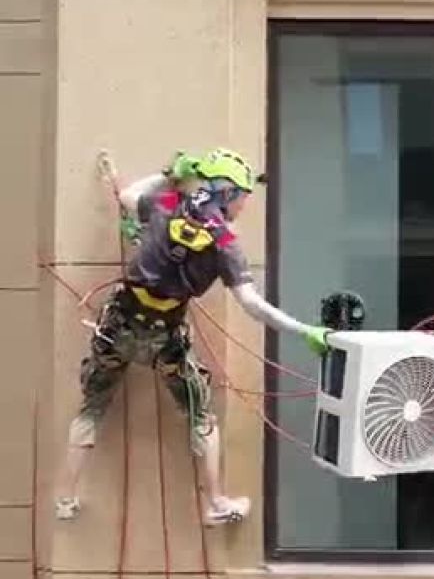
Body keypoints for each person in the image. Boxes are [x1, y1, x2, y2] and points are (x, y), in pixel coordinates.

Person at [55, 148, 329, 525]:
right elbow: (252, 304)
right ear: (228, 193)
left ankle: (65, 498)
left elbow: (128, 196)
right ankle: (216, 503)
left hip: (120, 323)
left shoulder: (169, 204)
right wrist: (304, 330)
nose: (246, 204)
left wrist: (169, 173)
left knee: (92, 407)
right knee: (201, 416)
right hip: (165, 338)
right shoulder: (224, 244)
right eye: (245, 195)